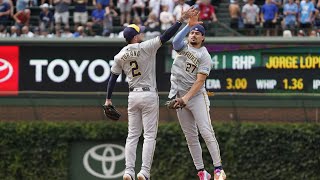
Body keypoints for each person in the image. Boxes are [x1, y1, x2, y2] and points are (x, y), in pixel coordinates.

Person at [104, 7, 198, 180]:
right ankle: (144, 172)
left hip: (132, 96)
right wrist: (180, 21)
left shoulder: (119, 56)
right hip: (148, 95)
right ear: (135, 37)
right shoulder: (146, 47)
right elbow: (166, 36)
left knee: (132, 135)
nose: (141, 35)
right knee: (149, 136)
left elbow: (112, 79)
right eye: (139, 33)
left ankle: (128, 171)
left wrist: (108, 99)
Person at [168, 15, 227, 180]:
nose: (193, 35)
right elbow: (174, 42)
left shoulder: (204, 56)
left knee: (206, 132)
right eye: (192, 33)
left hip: (196, 97)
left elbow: (200, 81)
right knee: (190, 136)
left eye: (197, 33)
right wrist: (187, 26)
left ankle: (218, 169)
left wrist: (186, 98)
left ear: (203, 37)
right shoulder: (183, 47)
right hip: (179, 96)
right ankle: (202, 172)